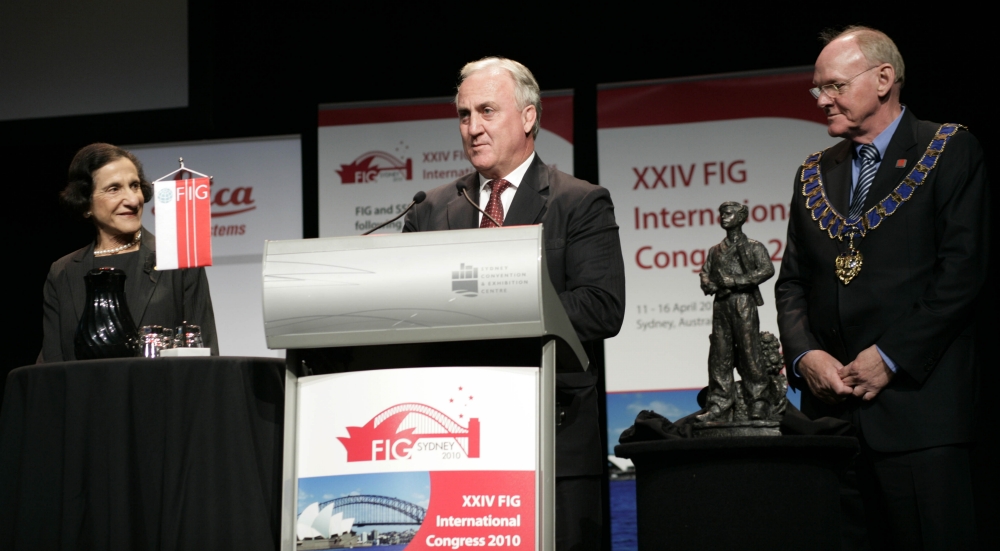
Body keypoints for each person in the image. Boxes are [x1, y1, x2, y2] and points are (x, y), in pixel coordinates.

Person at [775, 26, 988, 549]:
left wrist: (890, 356)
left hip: (920, 418)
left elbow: (961, 274)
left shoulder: (948, 149)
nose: (822, 100)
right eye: (817, 88)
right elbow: (792, 284)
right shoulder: (812, 173)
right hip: (830, 425)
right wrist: (805, 356)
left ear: (884, 79)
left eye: (835, 86)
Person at [403, 57, 626, 550]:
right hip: (456, 442)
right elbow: (412, 314)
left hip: (552, 437)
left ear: (528, 117)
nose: (473, 128)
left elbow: (601, 306)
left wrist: (496, 307)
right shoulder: (429, 210)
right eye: (464, 115)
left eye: (487, 111)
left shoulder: (579, 202)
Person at [40, 143, 219, 362]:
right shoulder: (63, 272)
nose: (133, 200)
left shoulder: (178, 258)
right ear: (86, 203)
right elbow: (52, 364)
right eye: (114, 189)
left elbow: (204, 357)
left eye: (134, 186)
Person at [697, 202, 774, 422]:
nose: (723, 217)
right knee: (719, 355)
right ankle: (719, 404)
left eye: (729, 214)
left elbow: (767, 269)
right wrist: (708, 283)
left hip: (743, 302)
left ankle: (758, 401)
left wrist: (736, 281)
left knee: (750, 351)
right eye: (721, 214)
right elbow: (705, 272)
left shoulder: (753, 246)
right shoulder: (714, 250)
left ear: (740, 218)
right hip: (721, 304)